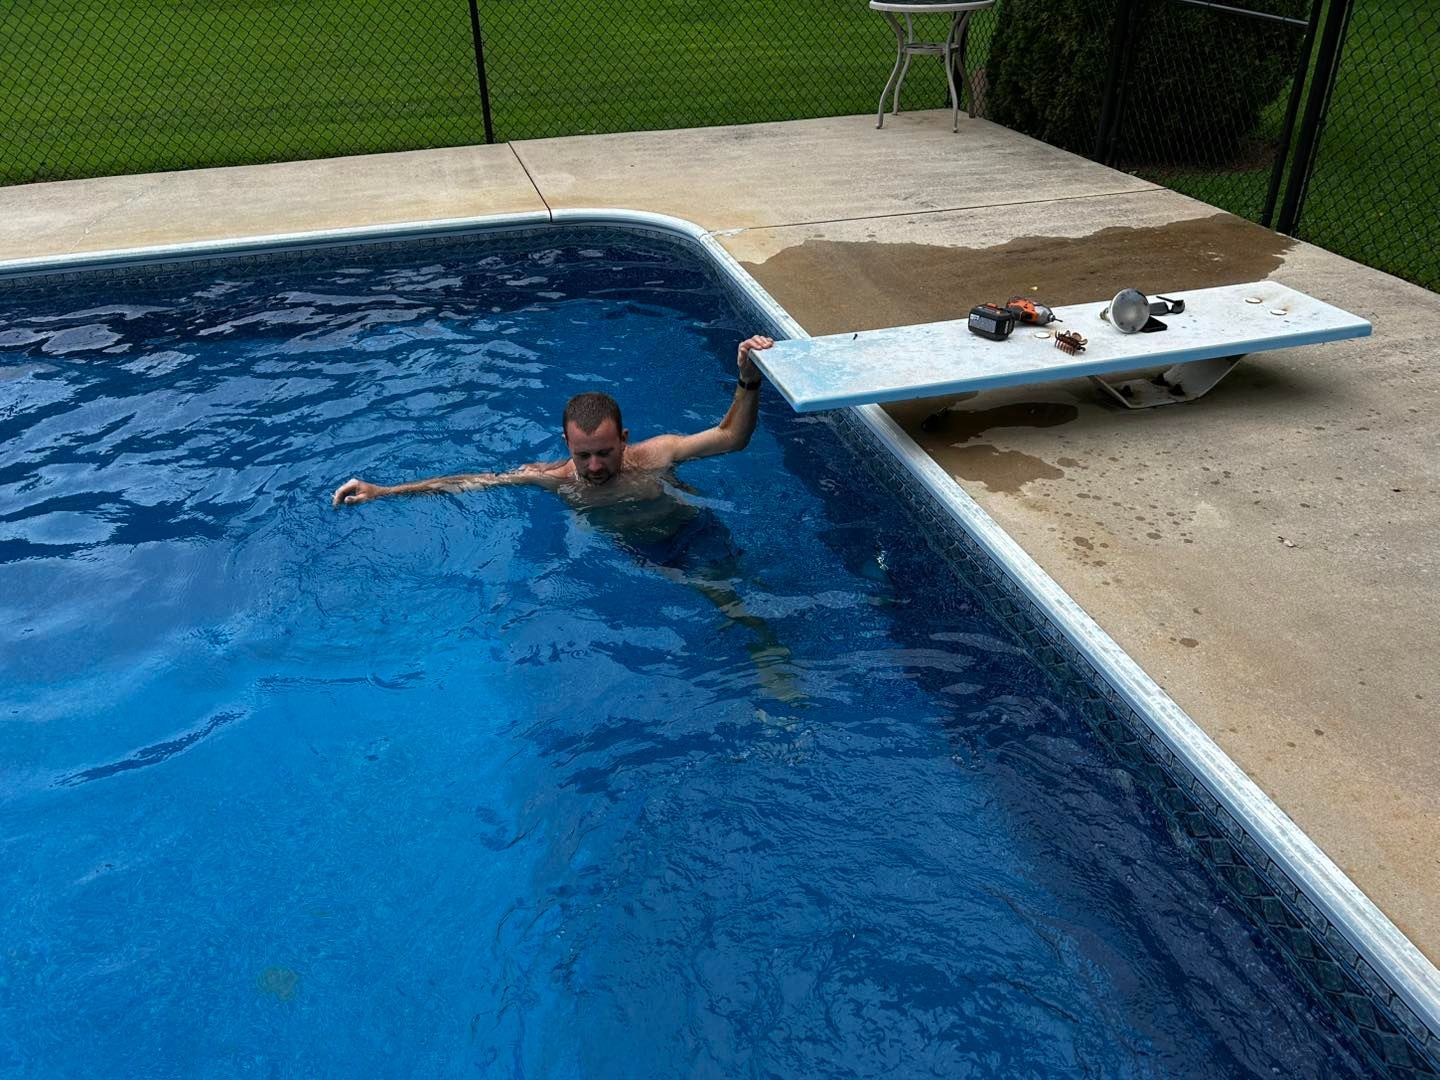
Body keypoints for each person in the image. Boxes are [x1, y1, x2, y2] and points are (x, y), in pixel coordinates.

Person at [331, 335, 774, 510]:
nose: (595, 467)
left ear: (624, 439)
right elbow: (469, 482)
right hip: (640, 551)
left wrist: (748, 380)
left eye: (605, 453)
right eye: (583, 455)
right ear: (566, 444)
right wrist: (384, 491)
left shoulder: (656, 454)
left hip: (689, 526)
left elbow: (731, 437)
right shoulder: (553, 479)